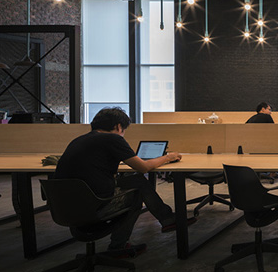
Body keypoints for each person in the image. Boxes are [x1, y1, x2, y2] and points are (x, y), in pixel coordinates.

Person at [52, 107, 192, 257]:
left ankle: (167, 219)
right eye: (124, 130)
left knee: (133, 181)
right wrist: (168, 157)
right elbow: (143, 167)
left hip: (64, 208)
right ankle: (119, 245)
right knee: (138, 187)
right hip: (95, 207)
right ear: (119, 126)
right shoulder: (113, 139)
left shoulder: (78, 140)